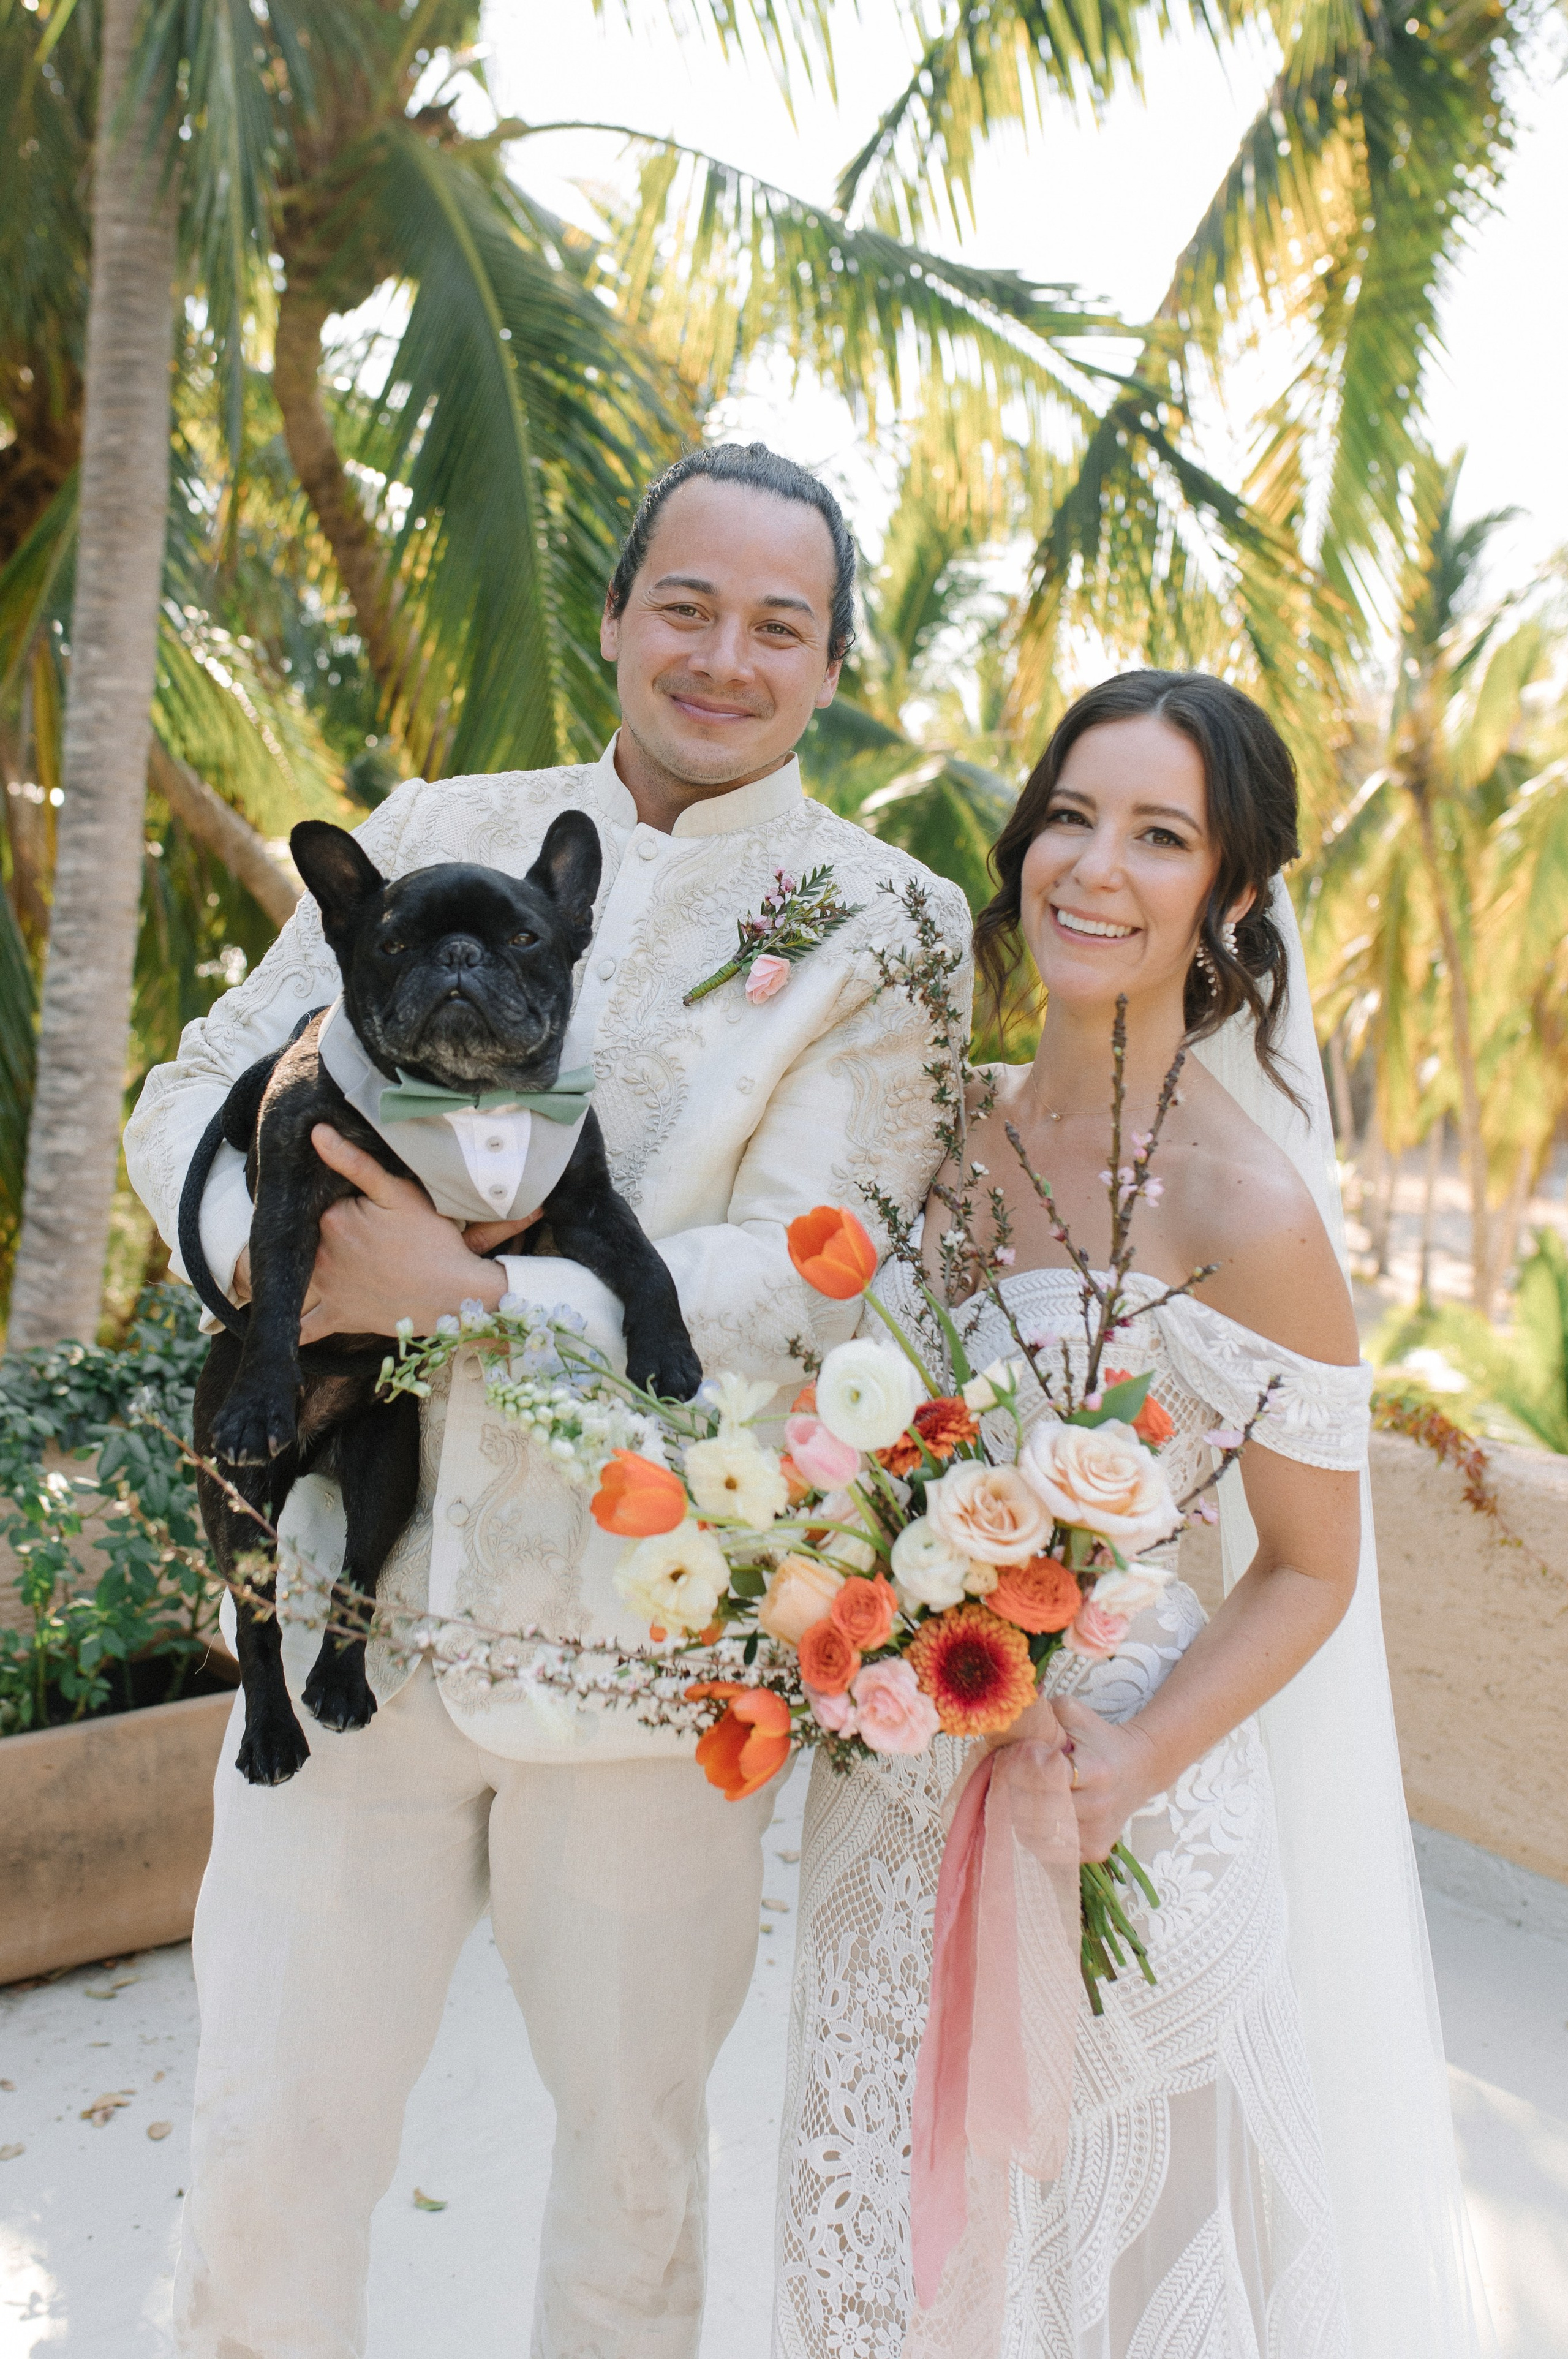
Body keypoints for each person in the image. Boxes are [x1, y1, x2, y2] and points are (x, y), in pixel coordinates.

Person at [124, 442, 971, 2359]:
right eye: (687, 604)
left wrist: (492, 1295)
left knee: (632, 2176)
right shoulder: (440, 814)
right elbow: (194, 1080)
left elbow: (831, 1255)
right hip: (344, 1624)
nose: (724, 657)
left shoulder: (889, 922)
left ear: (833, 661)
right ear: (614, 615)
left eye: (782, 624)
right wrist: (266, 1260)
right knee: (265, 2143)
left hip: (652, 1666)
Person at [775, 671, 1496, 2359]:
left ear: (1232, 899)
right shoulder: (954, 1137)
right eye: (1073, 816)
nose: (1095, 867)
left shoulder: (1246, 1200)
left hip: (1114, 1818)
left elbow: (1316, 1566)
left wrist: (1138, 1756)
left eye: (1160, 835)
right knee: (880, 2246)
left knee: (1094, 2288)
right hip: (901, 1783)